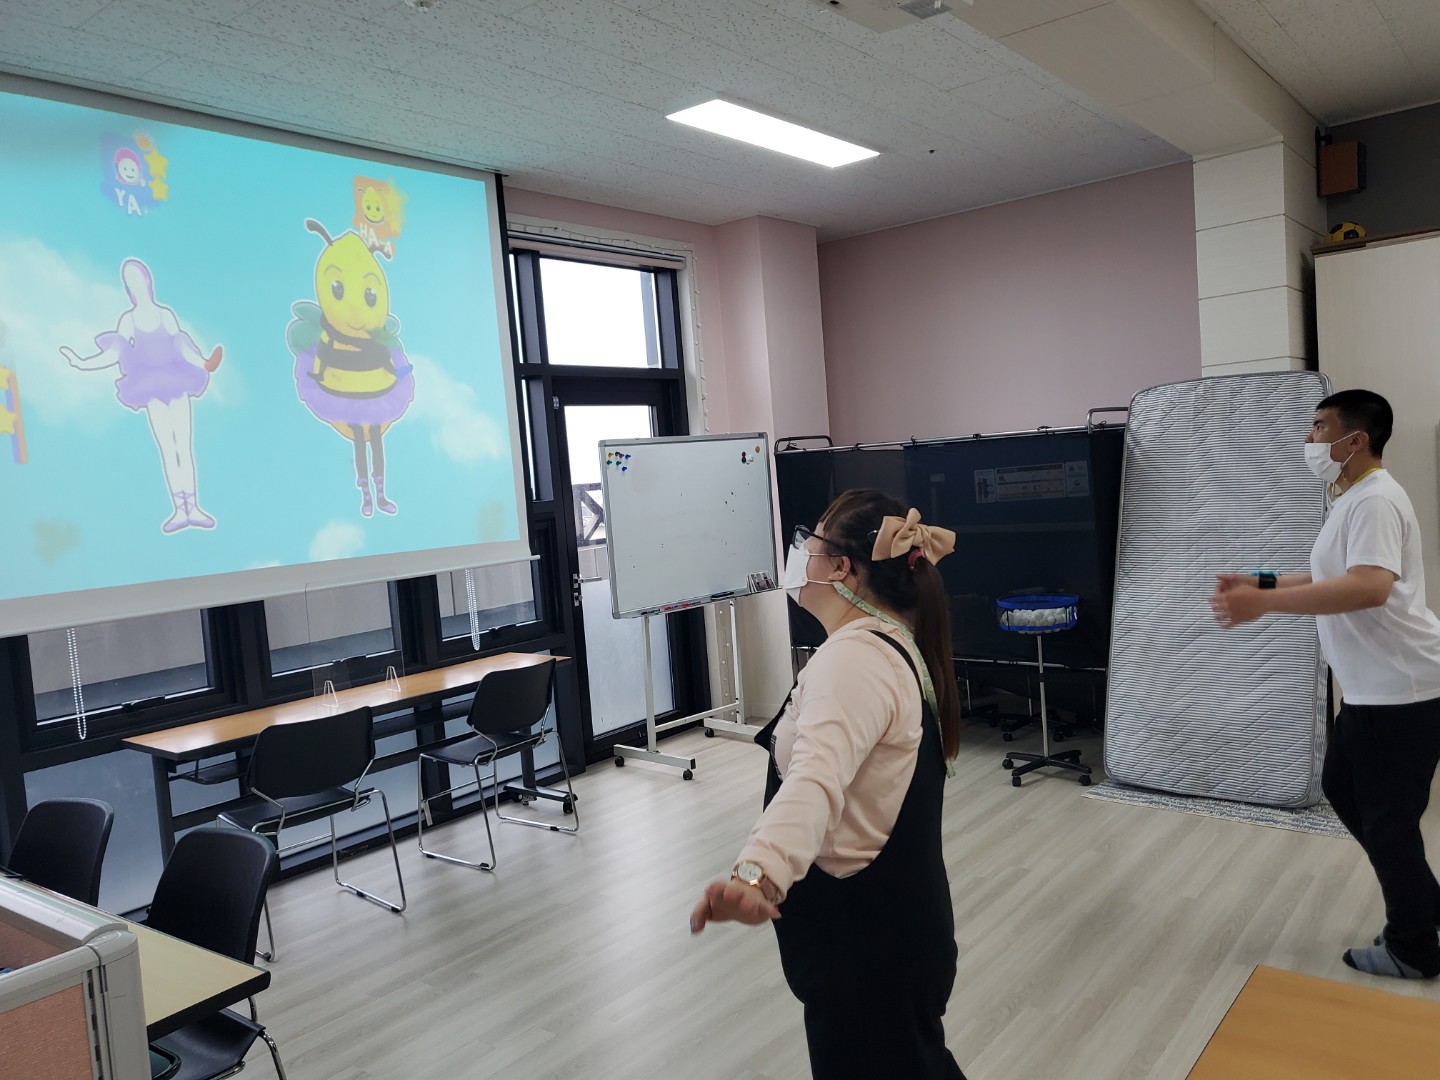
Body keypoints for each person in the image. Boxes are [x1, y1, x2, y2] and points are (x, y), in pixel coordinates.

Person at [689, 490, 970, 1078]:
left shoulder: (856, 661)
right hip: (891, 935)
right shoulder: (886, 644)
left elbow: (814, 781)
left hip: (866, 949)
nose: (801, 556)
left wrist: (756, 875)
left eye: (809, 543)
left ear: (842, 568)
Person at [1211, 389, 1440, 980]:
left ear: (1353, 439)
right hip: (1371, 691)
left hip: (1402, 691)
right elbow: (1327, 573)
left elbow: (1369, 587)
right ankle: (1425, 906)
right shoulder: (1352, 498)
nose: (1309, 440)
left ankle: (1414, 946)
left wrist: (1263, 605)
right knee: (1343, 786)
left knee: (1388, 825)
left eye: (1318, 427)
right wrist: (1261, 581)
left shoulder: (1375, 500)